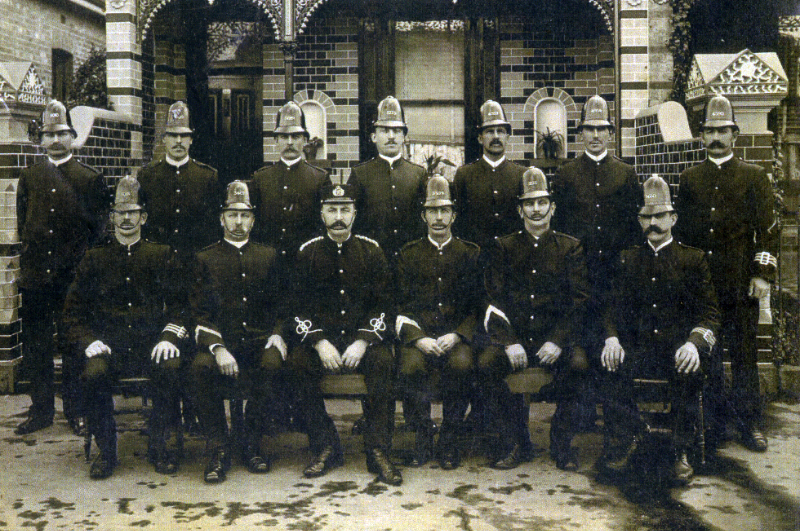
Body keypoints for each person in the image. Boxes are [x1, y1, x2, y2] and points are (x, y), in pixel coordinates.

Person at [62, 176, 188, 479]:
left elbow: (181, 305)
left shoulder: (162, 255)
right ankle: (107, 450)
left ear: (143, 217)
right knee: (93, 373)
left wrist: (169, 335)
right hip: (110, 347)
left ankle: (161, 445)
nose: (127, 218)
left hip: (151, 345)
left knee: (171, 367)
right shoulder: (94, 259)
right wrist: (89, 341)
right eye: (121, 212)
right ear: (112, 217)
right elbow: (71, 314)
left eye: (133, 212)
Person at [599, 175, 720, 484]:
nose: (652, 223)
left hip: (676, 349)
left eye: (659, 216)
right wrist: (612, 338)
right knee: (609, 366)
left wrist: (694, 343)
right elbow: (611, 307)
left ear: (673, 218)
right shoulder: (628, 259)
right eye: (646, 217)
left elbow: (710, 314)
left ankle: (679, 450)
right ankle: (625, 440)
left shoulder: (693, 260)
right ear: (639, 221)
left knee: (689, 369)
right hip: (638, 349)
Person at [675, 95, 777, 453]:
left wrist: (762, 273)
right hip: (706, 286)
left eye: (723, 130)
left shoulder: (754, 176)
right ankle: (716, 424)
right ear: (702, 137)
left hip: (741, 284)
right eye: (710, 131)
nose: (716, 137)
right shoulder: (689, 179)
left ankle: (749, 423)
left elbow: (767, 230)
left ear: (735, 134)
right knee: (711, 356)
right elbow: (683, 235)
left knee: (745, 354)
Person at [288, 182, 402, 486]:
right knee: (298, 364)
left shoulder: (371, 251)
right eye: (332, 209)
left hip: (361, 341)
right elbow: (297, 307)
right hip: (322, 341)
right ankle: (325, 444)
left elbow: (385, 306)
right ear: (322, 213)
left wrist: (363, 340)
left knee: (383, 363)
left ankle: (377, 449)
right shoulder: (307, 252)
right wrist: (319, 341)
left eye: (345, 209)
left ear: (354, 213)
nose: (339, 216)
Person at [481, 167, 590, 470]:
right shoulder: (504, 247)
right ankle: (516, 441)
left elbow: (579, 301)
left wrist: (557, 341)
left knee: (580, 365)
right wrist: (509, 342)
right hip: (516, 338)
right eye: (529, 203)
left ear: (552, 207)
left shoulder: (570, 247)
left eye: (542, 202)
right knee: (486, 364)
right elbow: (493, 300)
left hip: (554, 338)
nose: (536, 209)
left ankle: (562, 442)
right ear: (520, 210)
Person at [15, 100, 109, 436]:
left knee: (73, 346)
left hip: (73, 279)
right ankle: (41, 410)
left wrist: (84, 273)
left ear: (72, 136)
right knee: (37, 346)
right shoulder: (30, 177)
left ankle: (76, 410)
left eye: (61, 133)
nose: (55, 140)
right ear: (41, 139)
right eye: (49, 134)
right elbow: (23, 225)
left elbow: (98, 233)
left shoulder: (88, 179)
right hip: (38, 278)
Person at [550, 94, 641, 431]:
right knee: (581, 347)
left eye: (602, 128)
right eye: (589, 128)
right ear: (581, 133)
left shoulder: (626, 174)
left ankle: (618, 423)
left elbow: (634, 229)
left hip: (614, 275)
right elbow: (558, 231)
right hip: (578, 277)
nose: (596, 135)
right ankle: (580, 417)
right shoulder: (567, 174)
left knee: (614, 346)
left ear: (611, 133)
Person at [190, 181, 289, 484]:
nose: (238, 221)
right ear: (221, 218)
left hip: (259, 340)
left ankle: (250, 439)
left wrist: (279, 333)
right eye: (232, 215)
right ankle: (219, 446)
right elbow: (198, 312)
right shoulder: (204, 258)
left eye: (244, 216)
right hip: (222, 342)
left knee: (273, 364)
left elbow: (283, 303)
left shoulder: (268, 256)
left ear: (253, 220)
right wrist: (217, 347)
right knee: (199, 370)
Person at [138, 100, 220, 433]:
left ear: (191, 139)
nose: (177, 142)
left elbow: (214, 231)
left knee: (193, 342)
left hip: (195, 273)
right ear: (163, 139)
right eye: (171, 135)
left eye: (183, 135)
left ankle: (196, 411)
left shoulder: (207, 176)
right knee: (166, 339)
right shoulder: (148, 176)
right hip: (159, 274)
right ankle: (167, 416)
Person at [396, 176, 482, 470]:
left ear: (454, 215)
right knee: (410, 367)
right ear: (423, 215)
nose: (438, 217)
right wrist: (418, 337)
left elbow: (478, 305)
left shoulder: (470, 253)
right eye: (432, 211)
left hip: (454, 337)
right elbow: (400, 304)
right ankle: (421, 438)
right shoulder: (408, 254)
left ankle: (450, 439)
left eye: (444, 210)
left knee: (461, 365)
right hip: (419, 337)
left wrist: (458, 335)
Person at [349, 95, 427, 266]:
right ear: (374, 137)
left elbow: (423, 222)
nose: (391, 136)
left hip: (410, 262)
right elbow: (353, 223)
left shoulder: (418, 174)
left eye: (397, 131)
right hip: (371, 262)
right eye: (384, 130)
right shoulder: (359, 174)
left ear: (404, 137)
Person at [249, 101, 329, 259]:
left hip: (306, 262)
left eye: (296, 136)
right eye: (284, 136)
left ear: (305, 140)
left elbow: (324, 226)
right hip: (270, 263)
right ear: (276, 141)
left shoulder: (320, 178)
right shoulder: (261, 178)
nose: (290, 142)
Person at [453, 100, 527, 253]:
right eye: (489, 131)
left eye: (500, 131)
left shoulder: (521, 174)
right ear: (480, 138)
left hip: (512, 260)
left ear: (507, 136)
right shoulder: (464, 175)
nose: (496, 137)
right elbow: (458, 223)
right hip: (476, 260)